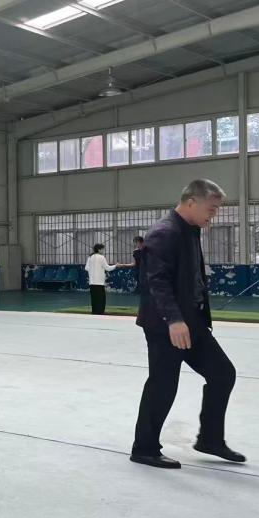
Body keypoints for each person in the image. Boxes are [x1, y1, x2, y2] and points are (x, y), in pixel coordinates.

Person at [130, 179, 245, 469]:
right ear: (192, 202)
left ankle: (210, 439)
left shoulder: (189, 230)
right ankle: (144, 448)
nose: (214, 214)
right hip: (166, 325)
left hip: (191, 323)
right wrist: (174, 320)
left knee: (223, 374)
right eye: (212, 208)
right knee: (163, 383)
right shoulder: (165, 232)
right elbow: (156, 282)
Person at [84, 244, 117, 315]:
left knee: (94, 299)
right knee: (101, 299)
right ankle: (100, 312)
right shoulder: (102, 257)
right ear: (99, 250)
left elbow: (86, 268)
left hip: (92, 282)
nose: (103, 251)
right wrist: (116, 266)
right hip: (99, 282)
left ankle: (94, 312)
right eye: (102, 249)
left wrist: (92, 271)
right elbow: (107, 268)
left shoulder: (90, 257)